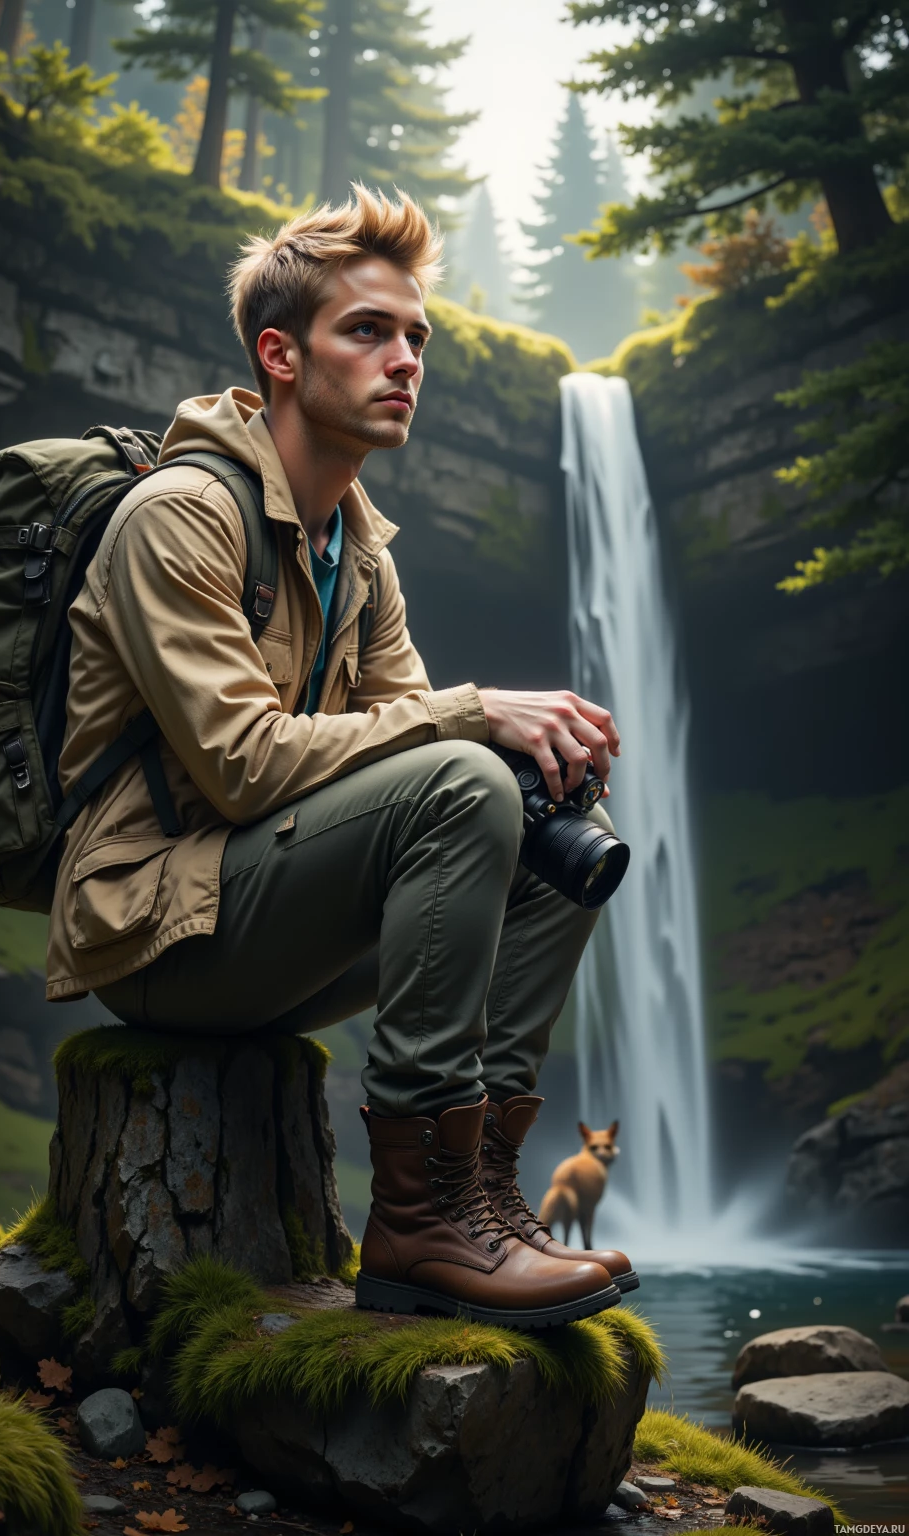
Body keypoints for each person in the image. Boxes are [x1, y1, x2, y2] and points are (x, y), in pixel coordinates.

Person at [47, 186, 636, 1327]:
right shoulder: (180, 516)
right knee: (471, 773)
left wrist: (527, 761)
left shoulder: (358, 554)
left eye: (416, 335)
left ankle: (482, 1197)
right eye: (367, 330)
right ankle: (414, 1228)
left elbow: (411, 755)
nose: (405, 358)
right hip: (152, 928)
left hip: (269, 910)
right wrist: (477, 716)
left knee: (543, 817)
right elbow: (240, 767)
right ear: (279, 354)